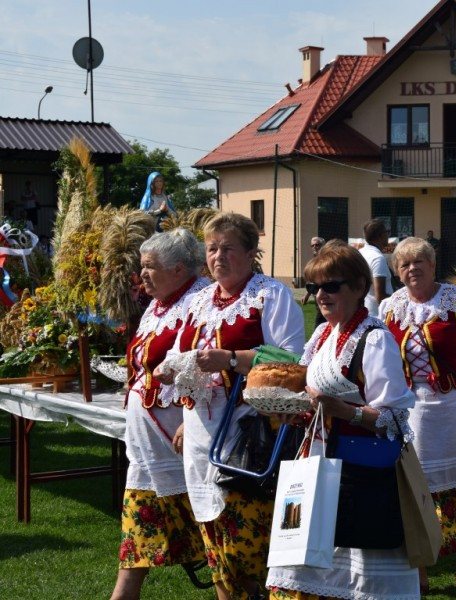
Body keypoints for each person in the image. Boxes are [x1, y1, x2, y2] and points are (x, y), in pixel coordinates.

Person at [155, 212, 306, 600]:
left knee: (248, 538)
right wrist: (175, 378)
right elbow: (180, 353)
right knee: (215, 542)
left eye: (228, 248)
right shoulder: (201, 299)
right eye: (211, 248)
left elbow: (289, 357)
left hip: (250, 431)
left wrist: (232, 358)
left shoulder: (270, 294)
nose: (218, 256)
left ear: (251, 252)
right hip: (202, 434)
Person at [266, 239, 419, 600]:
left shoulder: (376, 340)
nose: (321, 294)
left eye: (331, 286)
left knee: (359, 584)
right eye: (314, 287)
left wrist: (344, 410)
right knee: (295, 572)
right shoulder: (321, 335)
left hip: (359, 475)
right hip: (312, 470)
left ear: (360, 287)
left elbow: (396, 419)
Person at [379, 237, 456, 588]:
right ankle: (421, 562)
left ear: (433, 266)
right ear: (397, 272)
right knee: (417, 486)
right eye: (404, 264)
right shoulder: (388, 307)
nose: (412, 268)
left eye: (420, 261)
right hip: (410, 410)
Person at [110, 229, 209, 600]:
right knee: (139, 520)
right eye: (142, 267)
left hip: (179, 438)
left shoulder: (201, 301)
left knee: (210, 528)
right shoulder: (158, 304)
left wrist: (191, 416)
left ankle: (243, 588)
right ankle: (123, 594)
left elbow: (205, 363)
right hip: (149, 445)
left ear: (179, 269)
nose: (143, 275)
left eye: (150, 267)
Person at [359, 219, 393, 315]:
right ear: (381, 236)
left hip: (363, 312)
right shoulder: (377, 258)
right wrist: (401, 299)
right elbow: (380, 297)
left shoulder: (360, 253)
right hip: (377, 315)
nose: (388, 236)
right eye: (387, 232)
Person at [300, 237, 327, 325]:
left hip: (326, 294)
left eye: (317, 245)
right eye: (312, 245)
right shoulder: (314, 261)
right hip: (317, 295)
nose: (315, 247)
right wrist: (307, 295)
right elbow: (312, 281)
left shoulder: (326, 260)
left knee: (320, 321)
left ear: (323, 245)